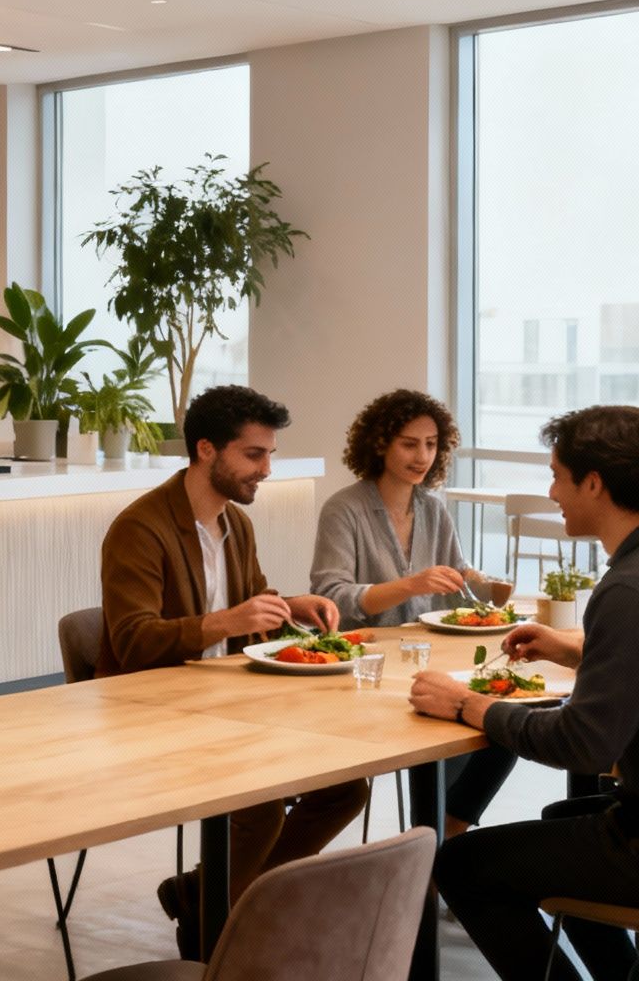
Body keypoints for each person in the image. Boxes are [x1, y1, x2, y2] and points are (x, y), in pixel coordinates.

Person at [413, 405, 639, 981]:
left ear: (594, 483)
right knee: (563, 816)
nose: (552, 491)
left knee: (461, 865)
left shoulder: (633, 587)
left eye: (558, 475)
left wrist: (475, 707)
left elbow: (585, 744)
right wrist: (573, 651)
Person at [99, 384, 370, 959]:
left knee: (345, 789)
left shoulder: (234, 524)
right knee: (260, 807)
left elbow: (250, 601)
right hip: (153, 710)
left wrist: (288, 604)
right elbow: (131, 642)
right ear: (205, 450)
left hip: (231, 702)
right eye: (254, 455)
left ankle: (212, 895)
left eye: (269, 454)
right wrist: (224, 622)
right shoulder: (140, 528)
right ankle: (216, 921)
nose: (267, 469)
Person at [312, 388, 516, 838]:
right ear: (380, 444)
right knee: (452, 729)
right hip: (365, 670)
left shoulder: (434, 510)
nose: (422, 455)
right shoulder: (344, 509)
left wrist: (478, 583)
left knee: (504, 727)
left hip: (428, 660)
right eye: (409, 443)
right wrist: (413, 583)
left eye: (431, 444)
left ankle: (443, 840)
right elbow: (332, 594)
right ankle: (430, 851)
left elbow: (456, 592)